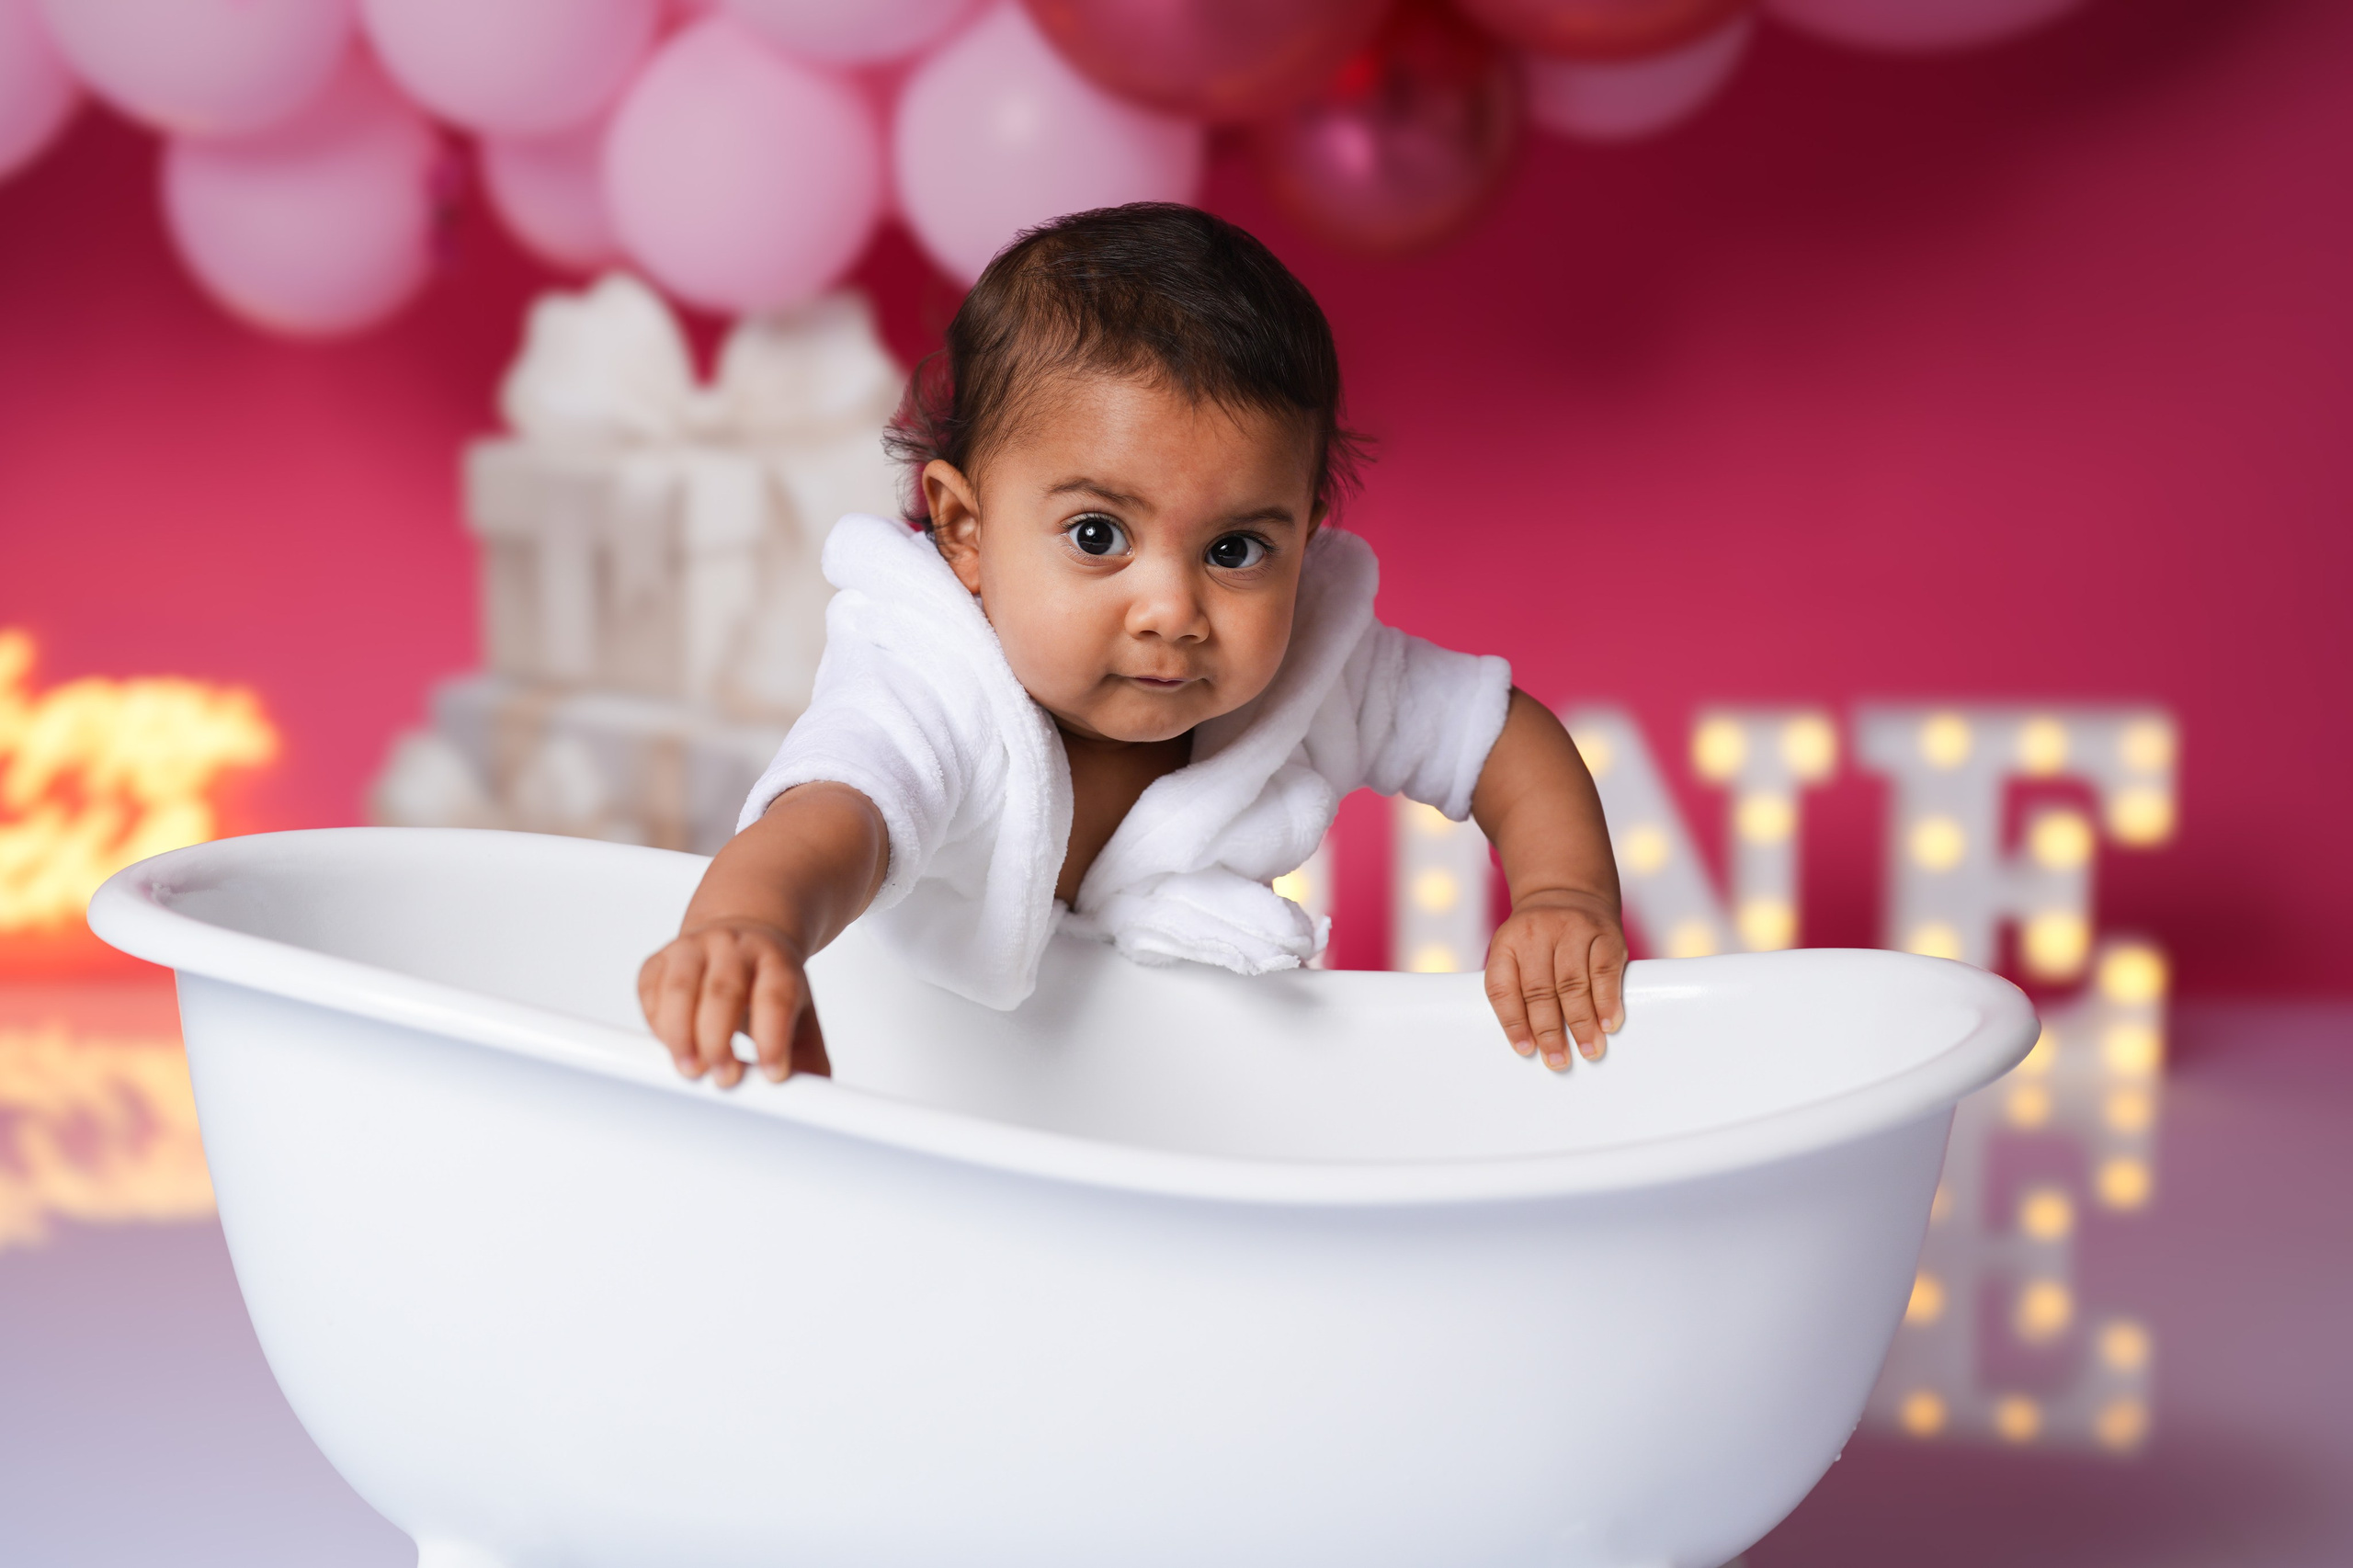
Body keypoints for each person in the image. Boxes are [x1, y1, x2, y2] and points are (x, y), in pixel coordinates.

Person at [639, 203, 1625, 1088]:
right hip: (906, 1071)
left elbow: (1497, 737)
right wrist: (751, 928)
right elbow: (830, 822)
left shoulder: (1312, 668)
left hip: (1159, 1092)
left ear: (1305, 531)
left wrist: (1562, 893)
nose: (1172, 609)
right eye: (1098, 535)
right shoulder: (934, 681)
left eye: (1235, 549)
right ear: (964, 529)